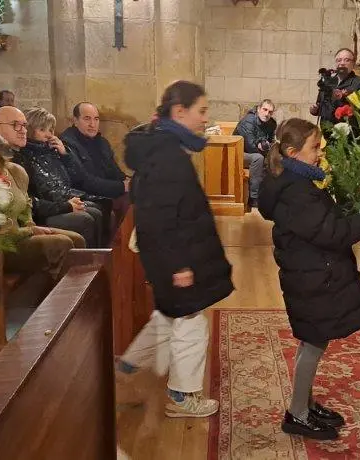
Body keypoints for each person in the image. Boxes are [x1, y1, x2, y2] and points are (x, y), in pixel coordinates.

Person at [258, 118, 360, 440]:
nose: (320, 153)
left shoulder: (293, 181)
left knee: (313, 340)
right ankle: (297, 414)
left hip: (311, 272)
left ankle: (305, 403)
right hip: (312, 276)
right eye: (315, 147)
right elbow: (332, 233)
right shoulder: (297, 191)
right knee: (313, 343)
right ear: (292, 152)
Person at [116, 81, 234, 418]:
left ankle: (128, 365)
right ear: (179, 111)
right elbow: (162, 218)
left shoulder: (163, 146)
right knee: (191, 323)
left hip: (168, 255)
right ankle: (183, 397)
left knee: (169, 315)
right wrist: (180, 265)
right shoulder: (168, 155)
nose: (204, 119)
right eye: (202, 111)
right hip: (175, 257)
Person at [0, 128, 86, 282]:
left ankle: (75, 297)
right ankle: (58, 300)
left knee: (78, 240)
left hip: (21, 232)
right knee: (60, 244)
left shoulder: (15, 172)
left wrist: (30, 225)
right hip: (1, 245)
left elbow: (26, 204)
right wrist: (29, 231)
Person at [11, 107, 106, 247]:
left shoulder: (51, 150)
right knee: (86, 218)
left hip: (62, 198)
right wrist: (67, 205)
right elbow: (37, 196)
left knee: (98, 209)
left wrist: (65, 154)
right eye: (43, 129)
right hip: (46, 209)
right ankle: (85, 263)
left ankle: (99, 260)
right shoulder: (23, 157)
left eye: (51, 130)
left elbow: (76, 177)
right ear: (31, 130)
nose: (49, 135)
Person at [310, 48, 360, 126]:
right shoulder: (327, 82)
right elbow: (320, 106)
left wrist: (344, 96)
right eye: (339, 60)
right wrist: (315, 110)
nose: (342, 63)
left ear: (353, 64)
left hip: (350, 133)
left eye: (346, 60)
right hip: (326, 132)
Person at [234, 99, 275, 207]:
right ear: (258, 109)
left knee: (277, 158)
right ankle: (253, 198)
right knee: (258, 158)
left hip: (256, 152)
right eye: (264, 109)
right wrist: (263, 148)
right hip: (237, 154)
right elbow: (250, 146)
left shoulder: (271, 123)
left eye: (270, 112)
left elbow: (271, 142)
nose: (267, 114)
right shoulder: (248, 121)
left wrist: (270, 149)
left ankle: (271, 195)